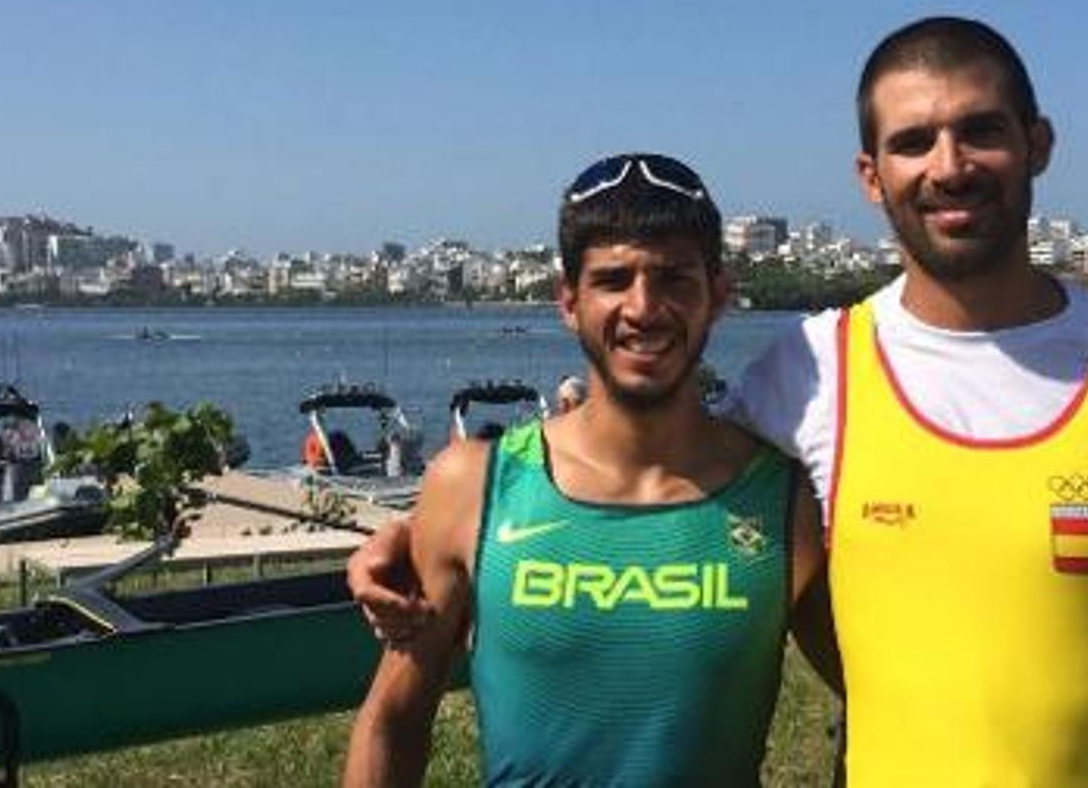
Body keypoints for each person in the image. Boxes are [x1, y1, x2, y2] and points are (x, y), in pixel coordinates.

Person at [350, 18, 1088, 784]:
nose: (949, 165)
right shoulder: (808, 372)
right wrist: (421, 526)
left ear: (1037, 144)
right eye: (914, 141)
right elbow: (649, 463)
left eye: (980, 130)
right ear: (872, 176)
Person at [342, 153, 832, 786]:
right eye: (614, 279)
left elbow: (886, 705)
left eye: (674, 279)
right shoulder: (475, 484)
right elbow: (392, 720)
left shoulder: (783, 500)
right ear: (569, 302)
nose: (643, 307)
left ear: (718, 296)